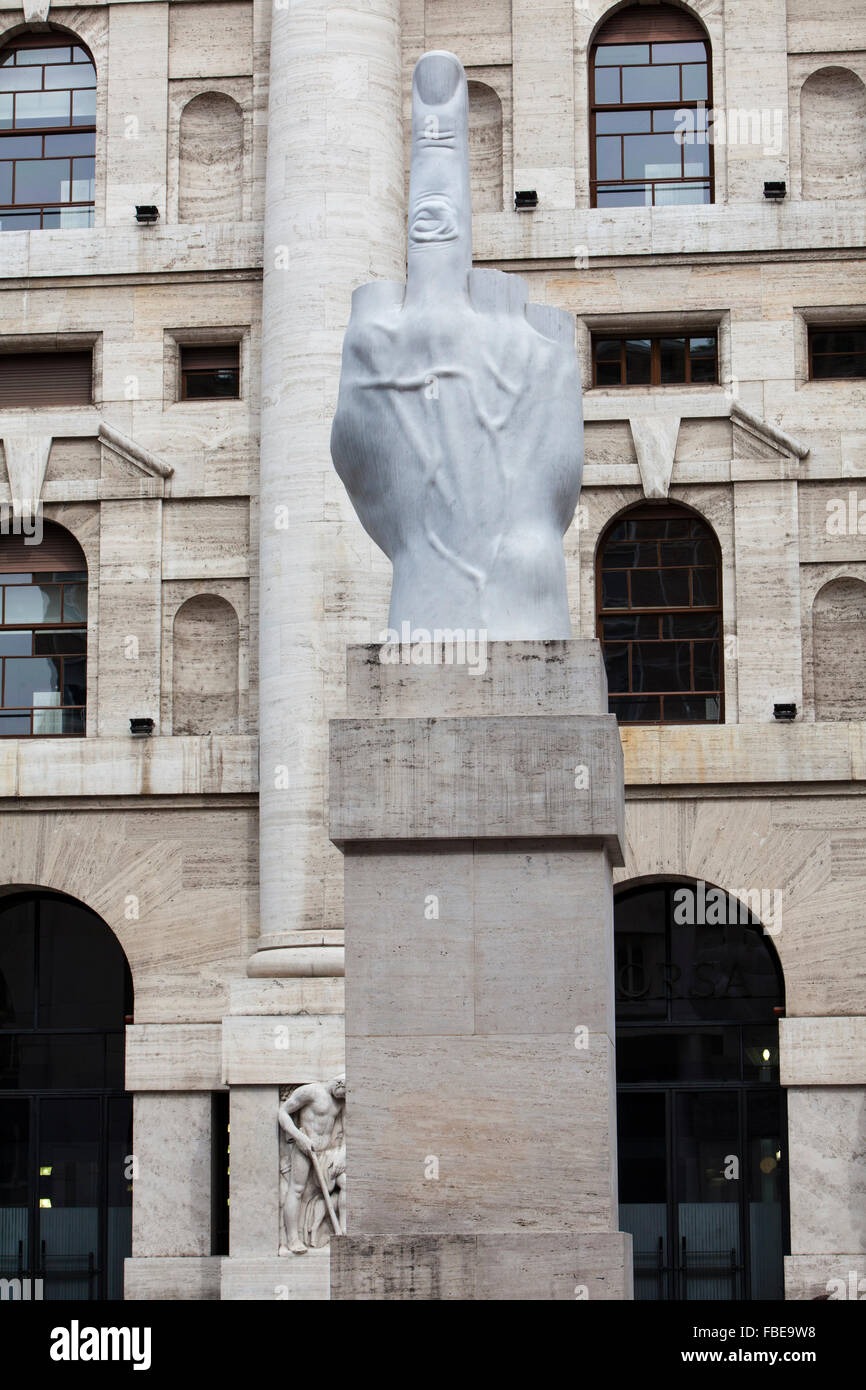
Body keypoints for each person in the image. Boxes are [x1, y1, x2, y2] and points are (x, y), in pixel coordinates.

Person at [278, 1075, 346, 1255]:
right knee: (297, 1189)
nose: (344, 1098)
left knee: (346, 1183)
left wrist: (341, 1155)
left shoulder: (342, 1099)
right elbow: (283, 1112)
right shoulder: (311, 1092)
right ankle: (293, 1239)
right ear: (339, 1084)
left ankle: (344, 1232)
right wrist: (299, 1138)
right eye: (344, 1093)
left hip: (327, 1152)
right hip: (305, 1148)